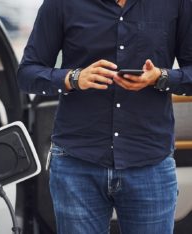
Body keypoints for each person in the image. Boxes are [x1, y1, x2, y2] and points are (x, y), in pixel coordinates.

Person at [17, 0, 192, 233]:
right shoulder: (60, 3)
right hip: (77, 163)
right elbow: (27, 73)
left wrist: (161, 77)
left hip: (150, 163)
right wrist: (73, 78)